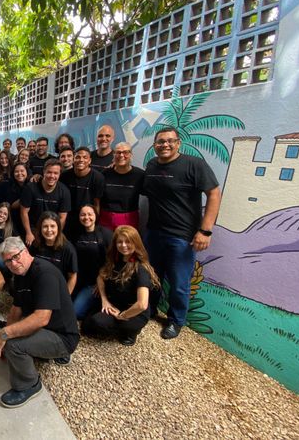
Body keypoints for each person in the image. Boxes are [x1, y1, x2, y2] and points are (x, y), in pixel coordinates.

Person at [143, 127, 221, 339]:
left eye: (169, 141)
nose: (165, 145)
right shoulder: (151, 165)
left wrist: (205, 230)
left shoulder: (194, 165)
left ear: (178, 143)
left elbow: (213, 193)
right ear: (154, 146)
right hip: (154, 232)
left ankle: (176, 321)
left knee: (179, 283)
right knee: (152, 276)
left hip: (182, 236)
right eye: (160, 142)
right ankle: (150, 308)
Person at [0, 237, 79, 408]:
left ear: (26, 251)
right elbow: (16, 310)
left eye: (16, 256)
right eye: (8, 261)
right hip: (47, 328)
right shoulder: (21, 274)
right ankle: (41, 352)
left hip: (62, 336)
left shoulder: (44, 273)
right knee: (9, 340)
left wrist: (4, 336)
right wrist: (5, 337)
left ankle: (29, 384)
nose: (13, 263)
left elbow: (41, 318)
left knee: (13, 346)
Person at [82, 226, 160, 346]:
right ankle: (116, 326)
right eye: (120, 242)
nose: (123, 245)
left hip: (134, 311)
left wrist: (121, 315)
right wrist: (104, 300)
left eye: (128, 241)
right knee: (88, 326)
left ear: (136, 243)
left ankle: (131, 331)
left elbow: (142, 304)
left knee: (120, 324)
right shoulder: (115, 260)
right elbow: (100, 277)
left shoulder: (141, 268)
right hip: (114, 304)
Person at [72, 205, 112, 319]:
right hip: (78, 280)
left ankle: (96, 308)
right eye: (83, 214)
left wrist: (101, 284)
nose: (86, 217)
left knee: (76, 313)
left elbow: (112, 261)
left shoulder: (105, 234)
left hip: (95, 283)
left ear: (95, 215)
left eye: (90, 214)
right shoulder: (75, 234)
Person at [20, 159, 71, 245]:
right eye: (49, 172)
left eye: (56, 173)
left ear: (59, 174)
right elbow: (23, 212)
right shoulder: (31, 187)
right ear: (44, 172)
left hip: (51, 228)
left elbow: (62, 217)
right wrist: (28, 233)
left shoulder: (64, 191)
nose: (52, 176)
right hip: (34, 228)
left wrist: (57, 234)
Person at [60, 146, 105, 241]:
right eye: (77, 157)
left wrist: (94, 222)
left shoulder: (98, 177)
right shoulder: (64, 176)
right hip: (69, 218)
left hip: (86, 218)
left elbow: (97, 203)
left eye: (85, 157)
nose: (81, 160)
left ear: (90, 160)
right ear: (73, 159)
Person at [29, 212, 78, 295]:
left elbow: (72, 277)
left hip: (58, 290)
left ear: (58, 228)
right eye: (45, 226)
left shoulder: (68, 249)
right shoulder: (35, 244)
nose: (49, 230)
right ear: (40, 228)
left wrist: (65, 297)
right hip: (37, 286)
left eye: (52, 226)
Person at [100, 142, 144, 230]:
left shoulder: (140, 175)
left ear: (131, 155)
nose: (121, 155)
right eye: (118, 152)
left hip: (129, 220)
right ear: (114, 155)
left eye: (125, 152)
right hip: (106, 219)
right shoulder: (104, 174)